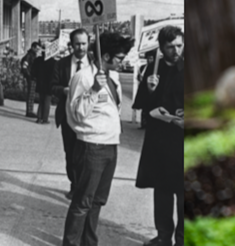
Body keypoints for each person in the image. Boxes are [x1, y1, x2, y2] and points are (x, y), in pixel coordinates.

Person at [61, 31, 134, 246]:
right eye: (119, 58)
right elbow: (76, 113)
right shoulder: (83, 77)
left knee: (97, 201)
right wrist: (93, 89)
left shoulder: (114, 77)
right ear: (107, 56)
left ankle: (89, 242)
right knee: (83, 201)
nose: (122, 62)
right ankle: (71, 243)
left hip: (111, 145)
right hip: (91, 146)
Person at [134, 26, 185, 246]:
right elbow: (141, 107)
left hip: (183, 141)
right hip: (160, 141)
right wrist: (150, 91)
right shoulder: (153, 70)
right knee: (162, 192)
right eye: (171, 46)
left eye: (180, 45)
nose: (176, 51)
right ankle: (164, 237)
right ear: (162, 48)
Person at [52, 29, 92, 198]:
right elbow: (51, 87)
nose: (81, 47)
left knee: (87, 154)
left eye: (84, 43)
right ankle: (75, 184)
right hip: (68, 117)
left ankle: (84, 187)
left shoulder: (94, 64)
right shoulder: (61, 64)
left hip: (89, 117)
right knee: (71, 154)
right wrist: (64, 90)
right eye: (77, 44)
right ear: (71, 44)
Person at [34, 44, 56, 124]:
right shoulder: (53, 62)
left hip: (40, 83)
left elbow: (34, 72)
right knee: (47, 101)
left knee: (41, 101)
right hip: (49, 84)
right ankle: (45, 119)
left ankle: (39, 118)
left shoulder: (38, 60)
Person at [22, 42, 43, 118]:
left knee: (32, 94)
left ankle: (30, 110)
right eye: (37, 49)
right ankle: (29, 111)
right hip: (31, 78)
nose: (37, 50)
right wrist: (29, 76)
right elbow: (25, 67)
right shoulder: (29, 56)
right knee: (31, 94)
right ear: (33, 48)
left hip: (32, 77)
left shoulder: (32, 55)